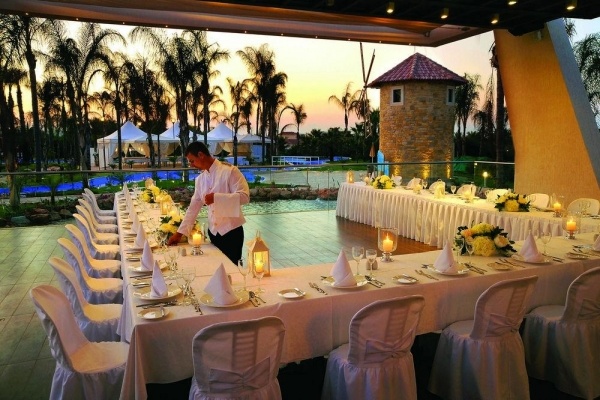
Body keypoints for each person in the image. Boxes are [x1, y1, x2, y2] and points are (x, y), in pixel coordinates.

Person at [167, 141, 250, 264]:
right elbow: (193, 209)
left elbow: (244, 197)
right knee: (216, 268)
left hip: (232, 233)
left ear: (201, 155)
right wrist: (179, 234)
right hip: (213, 233)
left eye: (192, 161)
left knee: (234, 269)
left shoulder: (230, 171)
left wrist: (216, 198)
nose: (191, 165)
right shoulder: (200, 180)